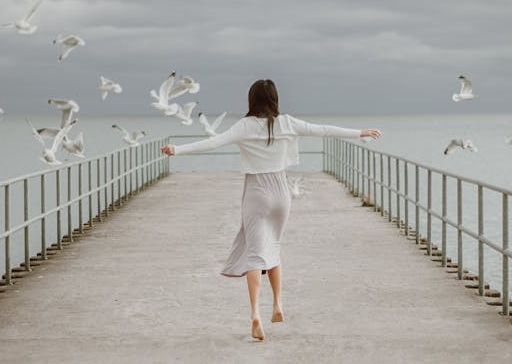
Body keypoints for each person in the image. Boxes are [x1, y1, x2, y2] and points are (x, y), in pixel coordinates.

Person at [161, 79, 381, 341]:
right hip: (281, 192)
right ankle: (277, 305)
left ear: (251, 100)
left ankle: (255, 314)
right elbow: (321, 129)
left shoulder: (245, 126)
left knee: (254, 255)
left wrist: (177, 149)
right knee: (273, 247)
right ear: (275, 99)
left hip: (256, 192)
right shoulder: (287, 123)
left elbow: (213, 143)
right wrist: (360, 132)